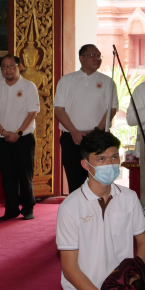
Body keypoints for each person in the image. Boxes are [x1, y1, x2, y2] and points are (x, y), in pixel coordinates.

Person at [56, 130, 145, 290]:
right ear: (86, 164)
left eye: (114, 157)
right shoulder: (70, 207)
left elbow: (143, 243)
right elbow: (69, 268)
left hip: (121, 287)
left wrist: (135, 279)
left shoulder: (129, 198)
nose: (110, 163)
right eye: (101, 159)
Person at [54, 44, 118, 194]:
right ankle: (77, 215)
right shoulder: (67, 80)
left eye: (99, 56)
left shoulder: (108, 82)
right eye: (93, 56)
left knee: (99, 180)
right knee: (75, 180)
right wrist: (73, 131)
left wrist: (97, 131)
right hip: (71, 138)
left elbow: (112, 109)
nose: (97, 59)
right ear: (81, 58)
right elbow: (59, 109)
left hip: (97, 138)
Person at [0, 54, 40, 221]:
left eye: (11, 66)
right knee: (7, 175)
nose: (7, 69)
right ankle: (11, 209)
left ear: (19, 67)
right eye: (3, 67)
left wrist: (18, 133)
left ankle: (28, 208)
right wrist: (3, 132)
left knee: (25, 175)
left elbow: (32, 113)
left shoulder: (29, 87)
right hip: (3, 138)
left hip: (23, 138)